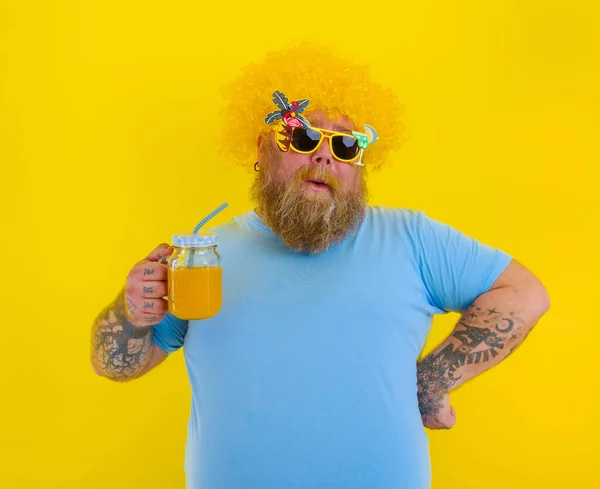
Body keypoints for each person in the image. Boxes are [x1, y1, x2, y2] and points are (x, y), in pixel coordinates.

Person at [91, 45, 550, 489]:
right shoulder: (202, 257)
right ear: (262, 147)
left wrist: (431, 381)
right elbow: (115, 365)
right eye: (304, 136)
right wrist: (131, 313)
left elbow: (524, 293)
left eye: (347, 145)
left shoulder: (413, 240)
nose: (324, 156)